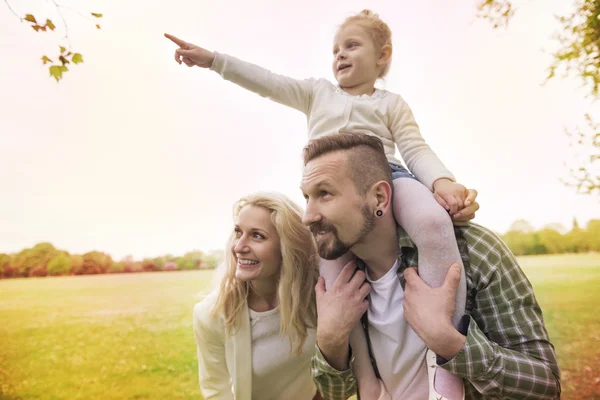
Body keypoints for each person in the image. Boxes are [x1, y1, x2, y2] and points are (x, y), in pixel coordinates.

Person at [166, 9, 474, 399]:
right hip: (329, 192)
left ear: (382, 55)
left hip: (392, 177)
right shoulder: (317, 93)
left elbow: (415, 147)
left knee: (432, 223)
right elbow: (268, 83)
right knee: (333, 292)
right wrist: (213, 60)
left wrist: (443, 182)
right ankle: (367, 379)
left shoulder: (391, 104)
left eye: (351, 45)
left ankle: (442, 358)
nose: (340, 55)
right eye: (335, 50)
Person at [301, 132, 561, 399]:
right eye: (307, 197)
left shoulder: (474, 252)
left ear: (379, 198)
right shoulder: (335, 286)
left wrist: (451, 344)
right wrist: (330, 341)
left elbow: (545, 387)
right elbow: (334, 392)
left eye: (325, 194)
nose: (308, 217)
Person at [192, 192, 321, 400]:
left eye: (257, 235)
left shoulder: (316, 295)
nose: (239, 247)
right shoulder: (211, 313)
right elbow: (216, 391)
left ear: (287, 247)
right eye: (238, 232)